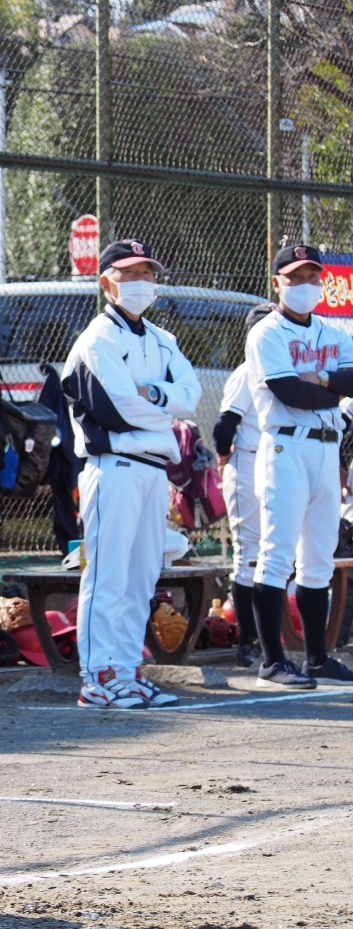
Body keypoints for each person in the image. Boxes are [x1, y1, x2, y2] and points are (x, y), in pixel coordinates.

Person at [61, 238, 201, 709]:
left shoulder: (164, 340)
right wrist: (164, 404)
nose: (141, 282)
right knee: (108, 575)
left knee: (141, 577)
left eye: (147, 273)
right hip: (113, 465)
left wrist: (154, 395)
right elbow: (118, 408)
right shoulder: (97, 339)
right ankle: (97, 677)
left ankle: (125, 671)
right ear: (107, 282)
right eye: (130, 273)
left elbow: (191, 396)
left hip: (152, 469)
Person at [246, 244, 353, 689]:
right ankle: (272, 661)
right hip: (285, 449)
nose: (306, 285)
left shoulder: (334, 332)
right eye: (295, 277)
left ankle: (316, 658)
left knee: (319, 560)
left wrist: (323, 381)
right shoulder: (266, 333)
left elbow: (347, 382)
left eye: (312, 276)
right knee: (276, 555)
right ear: (278, 283)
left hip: (327, 450)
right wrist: (332, 389)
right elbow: (289, 392)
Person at [212, 302, 274, 668]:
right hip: (247, 461)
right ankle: (248, 643)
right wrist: (224, 456)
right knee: (250, 554)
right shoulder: (246, 372)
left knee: (275, 554)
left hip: (276, 463)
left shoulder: (286, 371)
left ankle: (269, 641)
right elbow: (223, 427)